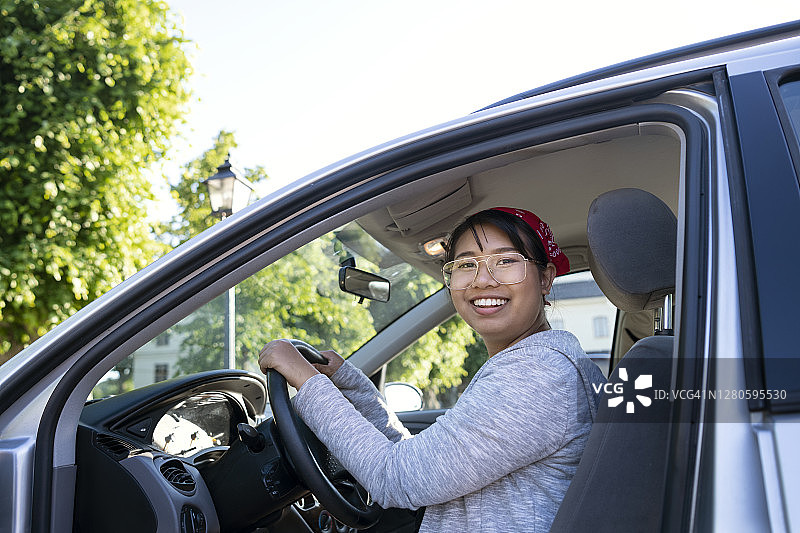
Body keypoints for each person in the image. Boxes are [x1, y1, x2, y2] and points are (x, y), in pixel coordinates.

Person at [259, 207, 606, 532]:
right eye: (466, 265)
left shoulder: (536, 375)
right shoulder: (539, 363)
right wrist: (350, 385)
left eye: (506, 261)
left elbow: (393, 478)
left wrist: (308, 382)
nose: (483, 280)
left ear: (545, 279)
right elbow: (422, 467)